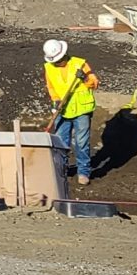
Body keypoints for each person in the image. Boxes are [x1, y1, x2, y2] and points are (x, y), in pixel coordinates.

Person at [43, 40, 100, 184]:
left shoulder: (79, 64)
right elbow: (51, 87)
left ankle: (83, 172)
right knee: (61, 141)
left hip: (82, 109)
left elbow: (94, 83)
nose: (58, 63)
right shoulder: (49, 68)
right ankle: (60, 170)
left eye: (59, 60)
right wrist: (55, 101)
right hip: (63, 110)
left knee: (81, 142)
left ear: (64, 55)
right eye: (55, 61)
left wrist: (85, 78)